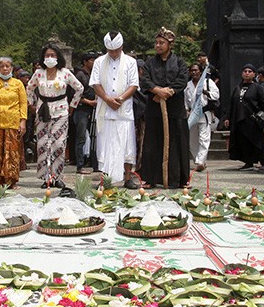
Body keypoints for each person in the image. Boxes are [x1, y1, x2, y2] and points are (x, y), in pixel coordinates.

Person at [27, 43, 83, 188]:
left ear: (58, 57)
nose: (50, 58)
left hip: (61, 110)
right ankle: (46, 178)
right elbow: (29, 88)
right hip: (43, 111)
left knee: (58, 144)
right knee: (43, 144)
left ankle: (57, 176)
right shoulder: (38, 73)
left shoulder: (65, 73)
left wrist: (73, 105)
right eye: (47, 55)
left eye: (53, 55)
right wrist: (31, 104)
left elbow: (79, 88)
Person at [139, 27, 189, 188]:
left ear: (170, 45)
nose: (158, 45)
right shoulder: (149, 63)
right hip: (154, 109)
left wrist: (169, 92)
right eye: (156, 43)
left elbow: (182, 79)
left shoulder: (180, 62)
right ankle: (150, 178)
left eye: (161, 43)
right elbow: (144, 80)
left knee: (177, 142)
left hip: (175, 109)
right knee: (152, 143)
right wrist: (156, 90)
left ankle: (179, 179)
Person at [90, 31, 139, 188]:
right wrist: (107, 99)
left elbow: (134, 84)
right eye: (110, 51)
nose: (114, 54)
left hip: (123, 110)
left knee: (127, 144)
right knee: (105, 146)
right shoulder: (99, 62)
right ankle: (105, 179)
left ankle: (127, 178)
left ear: (122, 47)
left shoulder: (130, 62)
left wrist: (120, 99)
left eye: (116, 50)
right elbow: (95, 83)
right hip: (105, 110)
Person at [0, 57, 27, 188]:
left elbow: (23, 103)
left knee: (12, 152)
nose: (5, 68)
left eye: (7, 66)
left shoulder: (18, 84)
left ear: (12, 68)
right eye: (2, 66)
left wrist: (23, 121)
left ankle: (11, 180)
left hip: (13, 122)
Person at [225, 64, 264, 171]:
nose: (247, 73)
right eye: (245, 71)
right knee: (243, 141)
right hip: (239, 119)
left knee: (257, 141)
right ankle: (248, 162)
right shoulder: (237, 88)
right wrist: (227, 118)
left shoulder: (257, 88)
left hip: (252, 120)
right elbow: (232, 104)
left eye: (250, 71)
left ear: (254, 74)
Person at [185, 63, 219, 172]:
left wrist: (205, 92)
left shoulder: (207, 82)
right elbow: (185, 100)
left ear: (200, 71)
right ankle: (199, 160)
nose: (194, 72)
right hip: (192, 114)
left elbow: (216, 95)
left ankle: (200, 161)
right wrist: (186, 110)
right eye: (192, 70)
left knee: (204, 138)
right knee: (192, 140)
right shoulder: (187, 85)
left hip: (204, 113)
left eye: (196, 70)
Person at [73, 52, 98, 174]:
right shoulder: (80, 75)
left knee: (94, 137)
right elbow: (75, 95)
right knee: (81, 137)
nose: (94, 63)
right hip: (82, 109)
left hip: (93, 108)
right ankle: (80, 165)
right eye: (91, 60)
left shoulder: (94, 75)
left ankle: (95, 164)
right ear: (85, 62)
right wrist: (89, 102)